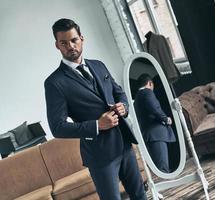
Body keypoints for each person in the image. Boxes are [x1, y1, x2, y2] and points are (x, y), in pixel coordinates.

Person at [44, 18, 146, 200]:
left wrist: (124, 107)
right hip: (99, 155)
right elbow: (57, 127)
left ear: (82, 38)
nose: (70, 46)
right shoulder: (54, 83)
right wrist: (97, 125)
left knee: (140, 195)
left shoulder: (98, 65)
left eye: (74, 40)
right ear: (57, 46)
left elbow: (119, 93)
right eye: (64, 43)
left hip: (124, 144)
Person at [134, 74, 176, 173]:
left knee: (160, 166)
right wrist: (166, 119)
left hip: (149, 134)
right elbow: (154, 108)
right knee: (163, 168)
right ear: (150, 83)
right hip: (156, 133)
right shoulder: (147, 93)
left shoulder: (137, 98)